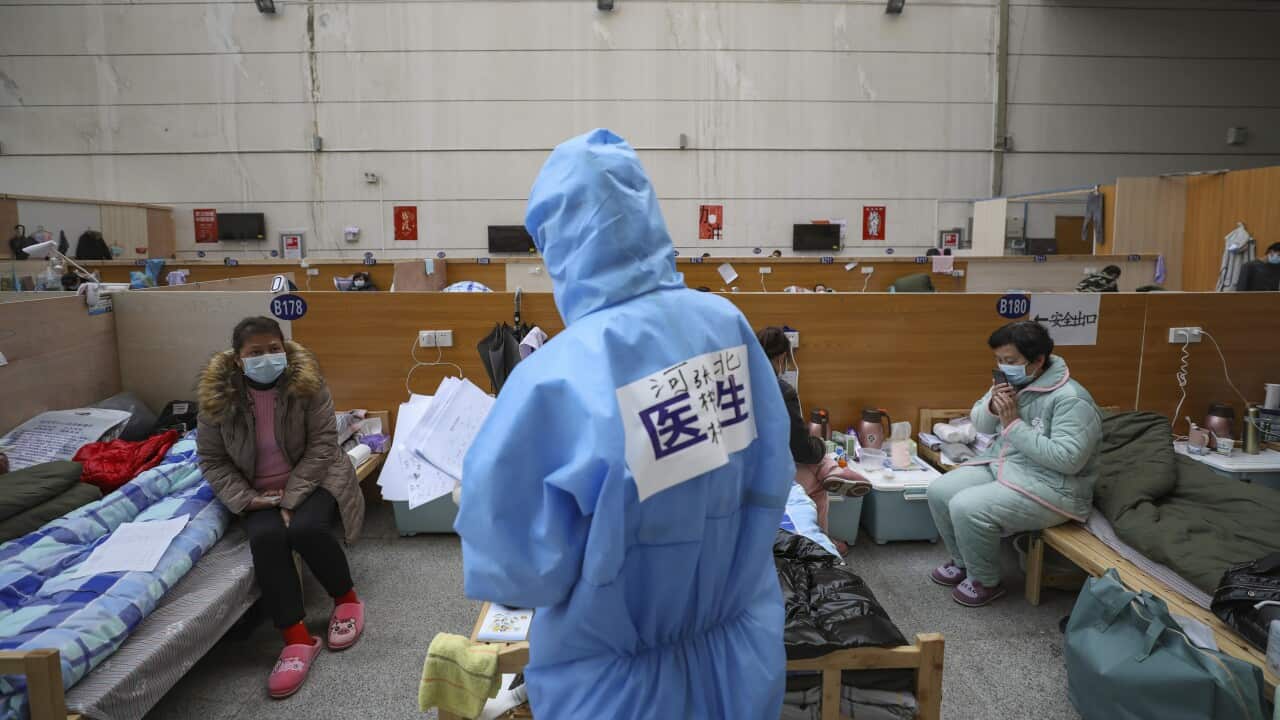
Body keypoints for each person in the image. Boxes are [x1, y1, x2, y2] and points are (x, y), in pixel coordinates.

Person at [455, 130, 794, 719]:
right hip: (743, 655)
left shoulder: (554, 380)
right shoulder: (726, 324)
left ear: (559, 243)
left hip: (621, 688)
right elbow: (770, 467)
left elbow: (516, 572)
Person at [196, 317, 366, 699]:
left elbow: (324, 445)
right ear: (238, 360)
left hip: (315, 477)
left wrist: (290, 498)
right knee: (268, 539)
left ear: (284, 349)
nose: (267, 357)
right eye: (255, 353)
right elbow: (211, 460)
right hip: (255, 490)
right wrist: (248, 499)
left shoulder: (307, 385)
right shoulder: (217, 399)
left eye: (273, 349)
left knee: (305, 529)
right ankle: (296, 640)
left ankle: (346, 599)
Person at [925, 321, 1101, 607]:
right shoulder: (1012, 380)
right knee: (939, 491)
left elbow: (1068, 460)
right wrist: (993, 407)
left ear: (1038, 360)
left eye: (1011, 361)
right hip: (1009, 466)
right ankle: (963, 563)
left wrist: (1013, 424)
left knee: (967, 506)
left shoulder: (1071, 399)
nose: (1003, 366)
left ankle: (985, 581)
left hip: (1056, 487)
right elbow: (981, 424)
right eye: (999, 360)